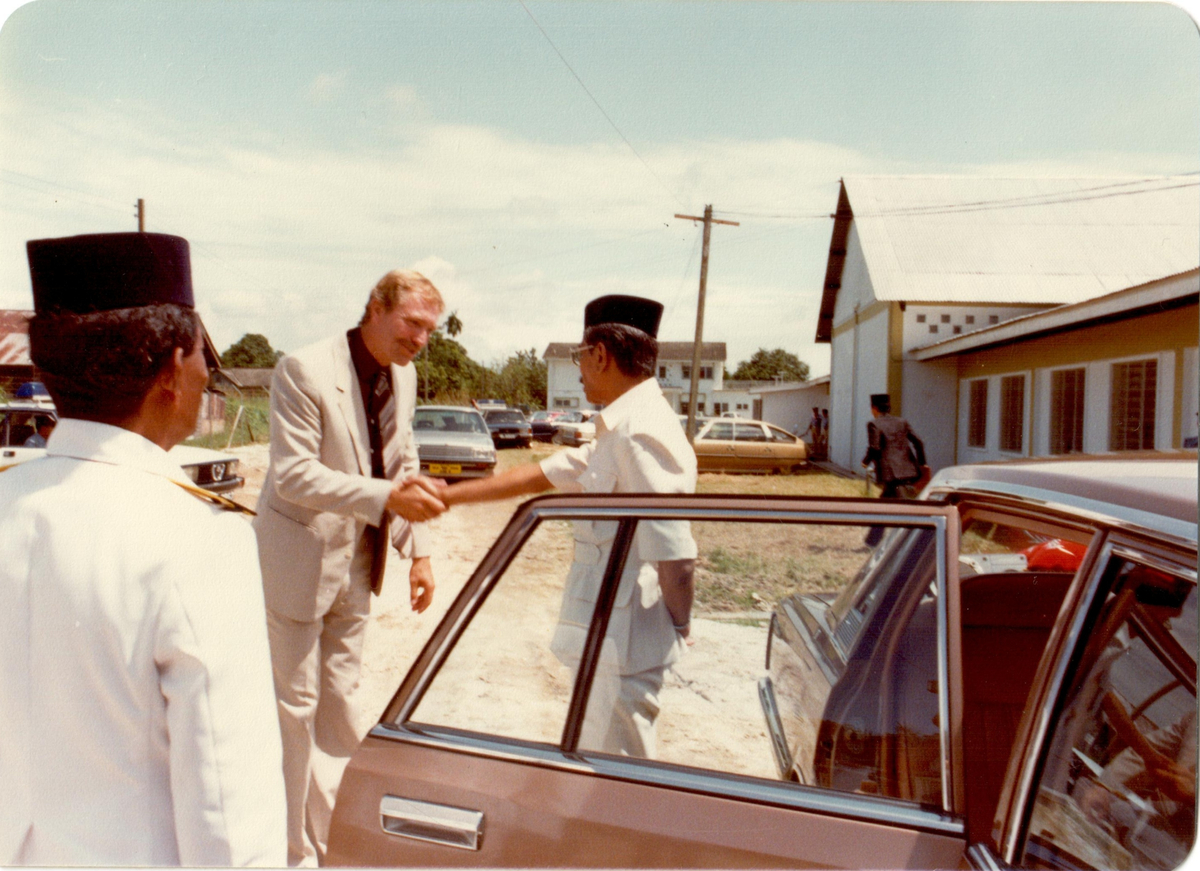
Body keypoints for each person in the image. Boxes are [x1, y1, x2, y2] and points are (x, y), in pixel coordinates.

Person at [0, 232, 285, 865]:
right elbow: (230, 813)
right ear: (172, 369)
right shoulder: (199, 539)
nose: (207, 375)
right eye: (202, 356)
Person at [443, 294, 696, 758]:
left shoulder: (641, 430)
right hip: (607, 644)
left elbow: (676, 559)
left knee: (619, 782)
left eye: (580, 356)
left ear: (600, 355)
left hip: (624, 652)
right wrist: (447, 496)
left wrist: (678, 626)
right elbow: (542, 474)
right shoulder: (620, 427)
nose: (579, 370)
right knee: (594, 774)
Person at [254, 268, 448, 866]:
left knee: (340, 706)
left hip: (358, 565)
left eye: (429, 330)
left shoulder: (404, 376)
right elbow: (293, 475)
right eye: (412, 323)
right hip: (297, 563)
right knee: (294, 711)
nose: (420, 340)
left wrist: (419, 551)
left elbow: (403, 459)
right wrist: (387, 499)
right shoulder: (304, 369)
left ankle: (331, 842)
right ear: (375, 309)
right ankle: (291, 851)